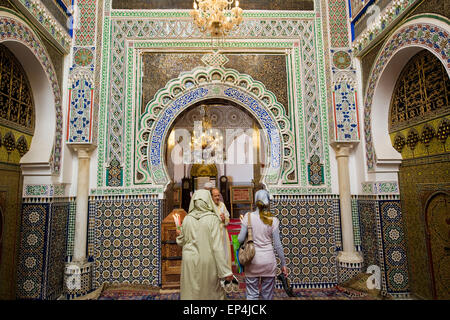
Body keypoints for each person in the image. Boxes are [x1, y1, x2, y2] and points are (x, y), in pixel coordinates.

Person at [176, 189, 233, 299]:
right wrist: (225, 271)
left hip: (189, 261)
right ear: (208, 201)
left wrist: (179, 234)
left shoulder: (187, 219)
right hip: (207, 261)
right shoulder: (213, 219)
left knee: (191, 292)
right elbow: (217, 248)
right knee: (210, 292)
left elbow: (181, 242)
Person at [237, 189, 288, 300]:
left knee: (252, 295)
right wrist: (283, 263)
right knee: (267, 296)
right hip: (269, 262)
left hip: (252, 261)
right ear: (268, 202)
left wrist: (245, 228)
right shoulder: (273, 220)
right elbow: (278, 245)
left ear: (255, 201)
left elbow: (240, 239)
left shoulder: (248, 217)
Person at [211, 188, 232, 269]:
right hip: (213, 234)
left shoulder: (222, 205)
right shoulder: (209, 206)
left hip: (223, 233)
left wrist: (224, 219)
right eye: (215, 196)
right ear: (211, 196)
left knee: (224, 252)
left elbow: (228, 219)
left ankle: (225, 270)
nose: (217, 197)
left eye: (218, 195)